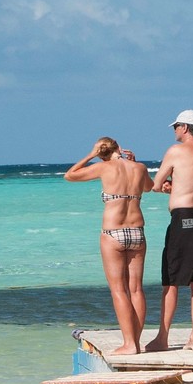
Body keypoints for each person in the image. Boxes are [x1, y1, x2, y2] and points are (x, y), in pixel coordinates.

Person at [65, 136, 154, 354]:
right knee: (136, 289)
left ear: (101, 152)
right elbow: (150, 188)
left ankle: (129, 344)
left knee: (119, 290)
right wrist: (134, 162)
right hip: (137, 232)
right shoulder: (139, 167)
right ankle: (136, 341)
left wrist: (90, 155)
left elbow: (69, 175)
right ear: (119, 148)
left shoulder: (103, 168)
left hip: (113, 232)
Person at [148, 110, 193, 352]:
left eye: (176, 126)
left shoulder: (176, 151)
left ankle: (162, 338)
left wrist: (167, 187)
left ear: (185, 128)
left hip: (184, 218)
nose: (175, 130)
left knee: (171, 280)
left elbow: (156, 185)